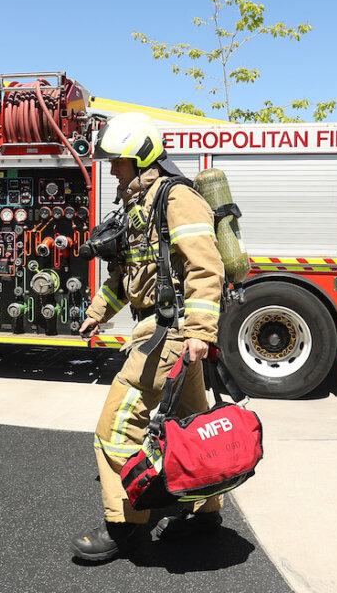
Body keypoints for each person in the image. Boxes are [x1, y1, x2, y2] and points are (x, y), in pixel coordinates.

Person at [71, 113, 224, 563]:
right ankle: (203, 512)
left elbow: (205, 267)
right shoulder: (140, 203)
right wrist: (97, 313)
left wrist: (199, 332)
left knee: (115, 428)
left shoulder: (178, 199)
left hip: (168, 335)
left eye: (118, 162)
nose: (112, 170)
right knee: (193, 428)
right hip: (162, 329)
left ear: (141, 159)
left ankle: (125, 526)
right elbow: (131, 274)